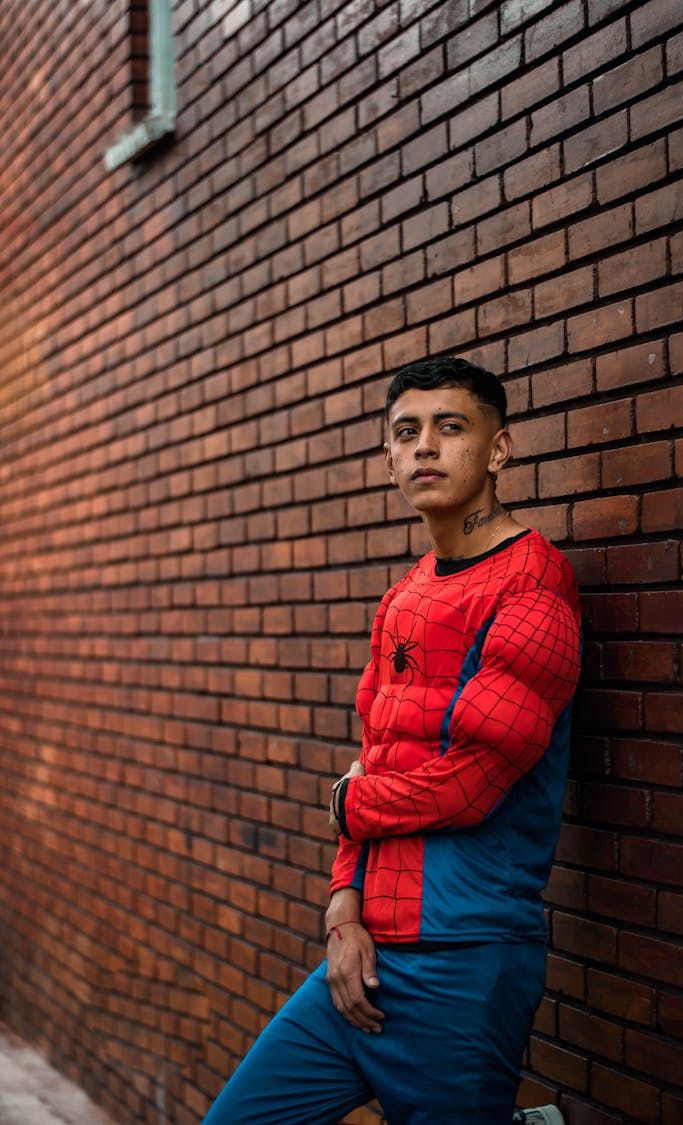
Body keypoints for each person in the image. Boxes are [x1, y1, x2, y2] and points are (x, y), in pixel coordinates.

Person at [204, 357, 581, 1125]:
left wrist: (351, 801)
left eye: (451, 428)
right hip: (361, 963)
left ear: (498, 450)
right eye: (407, 433)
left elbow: (473, 781)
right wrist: (342, 913)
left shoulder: (534, 584)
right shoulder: (401, 599)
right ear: (388, 459)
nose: (426, 449)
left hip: (464, 962)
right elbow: (374, 761)